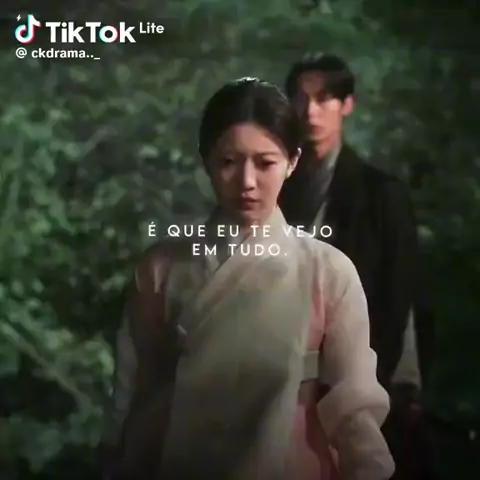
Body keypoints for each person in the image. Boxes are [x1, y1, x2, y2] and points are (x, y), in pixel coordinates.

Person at [105, 77, 394, 480]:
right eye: (229, 162)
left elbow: (355, 403)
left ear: (292, 162)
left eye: (265, 163)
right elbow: (132, 390)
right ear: (206, 160)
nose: (247, 182)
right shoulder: (162, 269)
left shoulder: (328, 271)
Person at [279, 53, 435, 479]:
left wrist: (397, 383)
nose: (311, 111)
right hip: (286, 377)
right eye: (301, 99)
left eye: (324, 99)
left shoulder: (381, 194)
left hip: (366, 370)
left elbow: (401, 296)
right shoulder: (277, 190)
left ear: (346, 105)